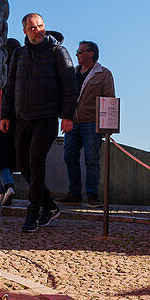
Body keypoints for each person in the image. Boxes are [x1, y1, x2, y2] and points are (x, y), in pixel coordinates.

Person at [1, 13, 77, 232]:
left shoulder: (58, 52)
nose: (38, 31)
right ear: (25, 31)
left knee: (36, 163)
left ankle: (32, 214)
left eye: (41, 26)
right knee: (22, 165)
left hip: (46, 118)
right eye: (33, 28)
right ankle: (50, 206)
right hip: (22, 118)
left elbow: (69, 86)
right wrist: (5, 115)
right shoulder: (19, 54)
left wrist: (68, 115)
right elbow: (10, 87)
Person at [63, 40, 115, 206]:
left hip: (92, 123)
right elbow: (65, 95)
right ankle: (74, 193)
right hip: (72, 122)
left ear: (91, 53)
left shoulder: (104, 74)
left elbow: (109, 100)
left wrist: (108, 126)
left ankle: (92, 196)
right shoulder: (72, 73)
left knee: (92, 160)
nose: (77, 54)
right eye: (77, 51)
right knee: (69, 157)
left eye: (80, 51)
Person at [0, 38, 21, 206]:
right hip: (19, 118)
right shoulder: (23, 69)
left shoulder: (2, 71)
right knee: (9, 155)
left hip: (2, 117)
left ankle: (6, 187)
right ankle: (1, 192)